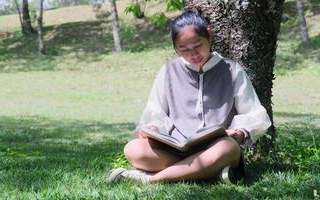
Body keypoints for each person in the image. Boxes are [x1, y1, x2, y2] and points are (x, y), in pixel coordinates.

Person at [108, 11, 271, 184]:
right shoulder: (168, 71)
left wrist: (239, 132)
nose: (193, 54)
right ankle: (209, 172)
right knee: (133, 149)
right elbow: (155, 113)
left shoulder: (232, 70)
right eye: (184, 50)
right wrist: (153, 129)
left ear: (209, 35)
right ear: (176, 48)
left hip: (215, 147)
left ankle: (152, 179)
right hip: (174, 149)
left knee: (228, 149)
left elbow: (254, 114)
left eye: (197, 45)